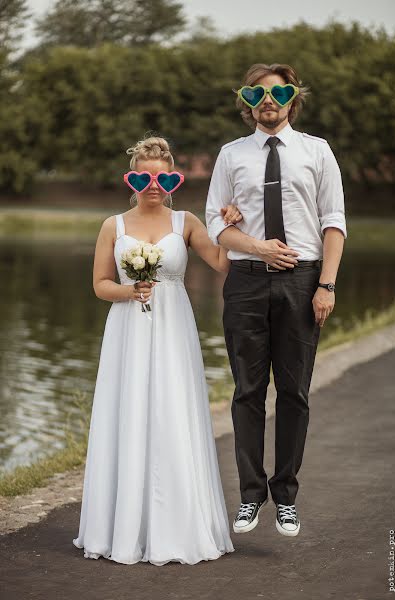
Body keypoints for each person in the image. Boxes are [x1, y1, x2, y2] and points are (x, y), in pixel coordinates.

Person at [73, 135, 242, 566]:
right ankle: (124, 527)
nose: (153, 184)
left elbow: (222, 262)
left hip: (173, 329)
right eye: (143, 176)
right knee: (129, 410)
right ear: (131, 178)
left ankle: (178, 525)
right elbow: (100, 285)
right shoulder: (114, 225)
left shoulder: (185, 221)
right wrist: (130, 294)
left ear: (172, 179)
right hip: (128, 326)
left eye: (161, 176)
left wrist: (232, 223)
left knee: (171, 411)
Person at [206, 63, 346, 537]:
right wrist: (256, 245)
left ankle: (285, 496)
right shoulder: (231, 155)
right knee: (247, 391)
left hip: (302, 282)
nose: (269, 99)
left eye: (279, 91)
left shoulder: (317, 151)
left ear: (292, 99)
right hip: (245, 282)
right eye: (258, 93)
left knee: (295, 393)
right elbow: (215, 225)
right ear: (246, 101)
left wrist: (326, 285)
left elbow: (334, 222)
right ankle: (250, 497)